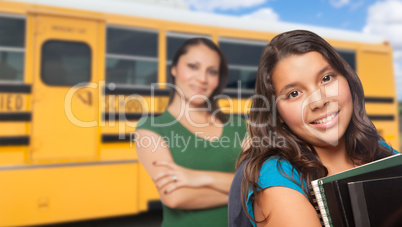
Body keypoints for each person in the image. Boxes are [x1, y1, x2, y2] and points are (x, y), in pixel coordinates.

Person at [229, 30, 399, 227]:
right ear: (277, 113)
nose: (318, 101)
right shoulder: (276, 176)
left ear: (348, 80)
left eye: (326, 78)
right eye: (294, 93)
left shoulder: (377, 149)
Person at [134, 38, 248, 227]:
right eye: (193, 66)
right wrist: (243, 191)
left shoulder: (239, 126)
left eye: (212, 71)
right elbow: (175, 197)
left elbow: (258, 182)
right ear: (174, 68)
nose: (202, 78)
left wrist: (199, 178)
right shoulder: (151, 128)